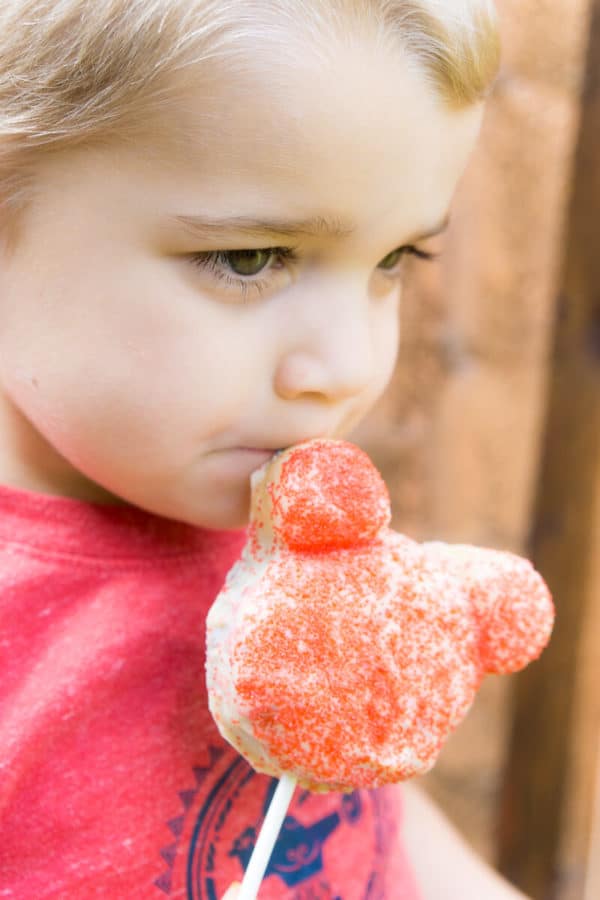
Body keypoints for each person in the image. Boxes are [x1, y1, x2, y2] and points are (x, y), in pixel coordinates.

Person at [0, 1, 529, 897]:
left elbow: (364, 807)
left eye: (394, 260)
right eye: (251, 259)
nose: (348, 366)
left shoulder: (285, 532)